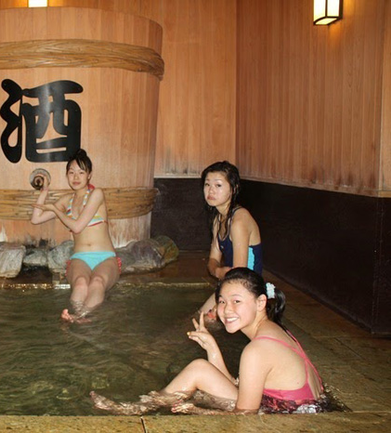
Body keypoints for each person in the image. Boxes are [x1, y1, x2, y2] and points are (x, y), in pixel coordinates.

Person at [90, 268, 326, 415]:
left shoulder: (258, 350)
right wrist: (212, 347)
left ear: (261, 302)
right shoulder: (275, 331)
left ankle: (136, 409)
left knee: (197, 386)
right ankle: (141, 407)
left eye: (236, 301)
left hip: (289, 420)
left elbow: (245, 416)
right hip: (294, 408)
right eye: (221, 301)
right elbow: (240, 387)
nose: (226, 309)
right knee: (199, 369)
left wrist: (199, 411)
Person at [31, 149, 120, 323]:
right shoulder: (67, 201)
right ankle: (77, 316)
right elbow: (36, 219)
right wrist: (44, 191)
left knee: (97, 282)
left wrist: (56, 210)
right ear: (67, 176)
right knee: (80, 283)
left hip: (105, 257)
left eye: (81, 172)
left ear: (89, 175)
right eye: (71, 172)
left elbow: (77, 227)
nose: (76, 177)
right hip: (80, 258)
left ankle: (81, 316)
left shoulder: (97, 194)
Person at [197, 161, 262, 319]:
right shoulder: (218, 220)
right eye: (207, 184)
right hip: (231, 284)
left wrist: (220, 305)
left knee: (205, 320)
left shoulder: (239, 221)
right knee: (200, 317)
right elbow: (212, 261)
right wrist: (218, 271)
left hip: (247, 290)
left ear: (233, 189)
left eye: (218, 185)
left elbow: (239, 272)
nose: (211, 190)